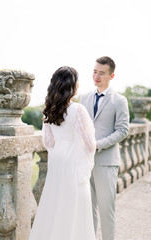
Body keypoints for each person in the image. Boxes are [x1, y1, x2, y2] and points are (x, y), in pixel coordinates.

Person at [29, 66, 96, 240]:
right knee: (74, 205)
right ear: (74, 86)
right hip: (73, 161)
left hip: (57, 160)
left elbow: (48, 142)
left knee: (54, 202)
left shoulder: (49, 109)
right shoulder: (78, 110)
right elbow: (90, 144)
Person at [81, 56, 129, 240]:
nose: (97, 76)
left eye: (101, 73)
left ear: (111, 75)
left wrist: (98, 145)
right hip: (85, 163)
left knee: (106, 212)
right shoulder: (84, 98)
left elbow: (123, 130)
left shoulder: (119, 100)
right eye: (94, 71)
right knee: (88, 212)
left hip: (107, 164)